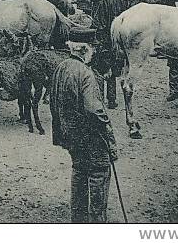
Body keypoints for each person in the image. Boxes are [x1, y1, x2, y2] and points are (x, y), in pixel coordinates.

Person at [49, 28, 118, 223]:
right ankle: (97, 221)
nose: (94, 51)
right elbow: (94, 109)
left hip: (70, 136)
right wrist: (108, 134)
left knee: (79, 172)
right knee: (99, 173)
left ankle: (78, 220)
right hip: (91, 137)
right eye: (93, 47)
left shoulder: (61, 67)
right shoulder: (86, 73)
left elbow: (53, 103)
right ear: (84, 49)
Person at [92, 0, 129, 109]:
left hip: (106, 40)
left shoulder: (103, 0)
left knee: (101, 70)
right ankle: (112, 100)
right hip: (120, 41)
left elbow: (98, 24)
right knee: (114, 70)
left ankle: (100, 99)